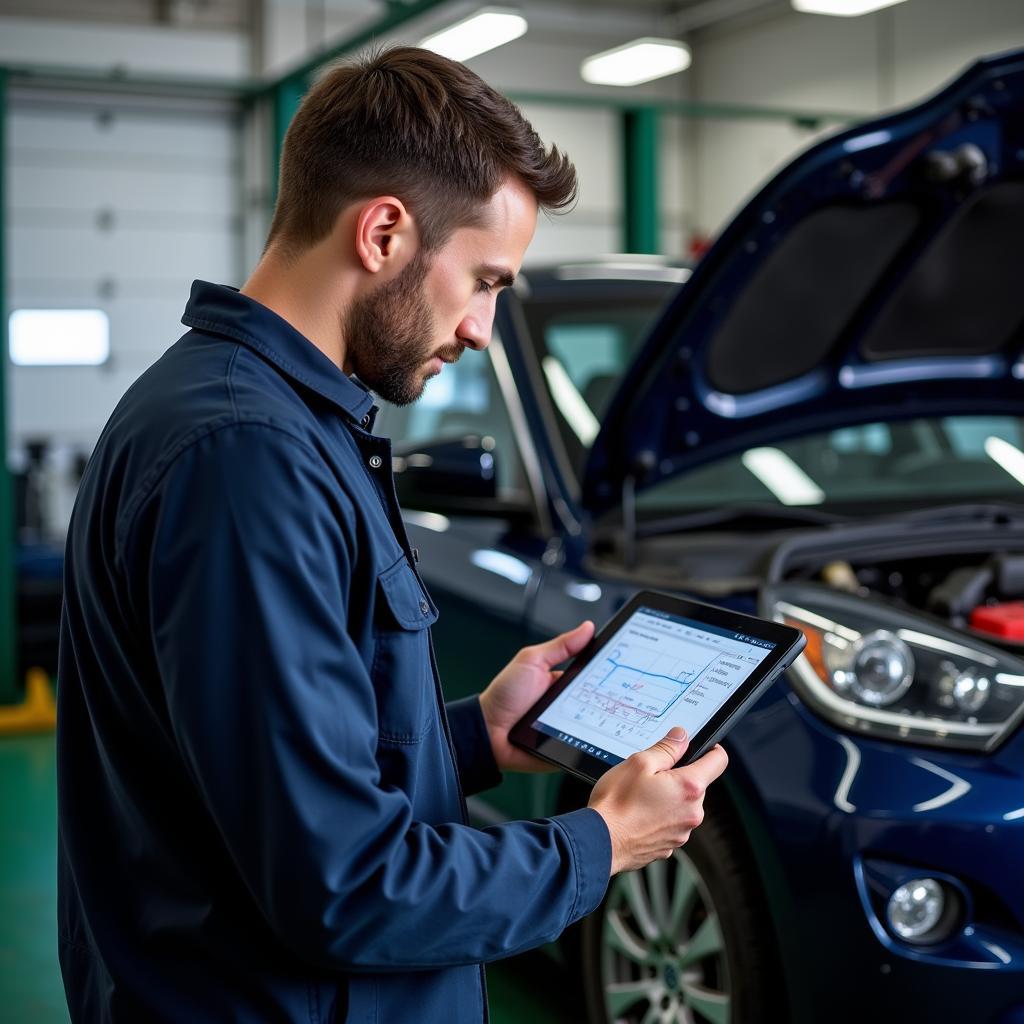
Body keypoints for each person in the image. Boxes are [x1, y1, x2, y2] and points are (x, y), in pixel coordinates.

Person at [56, 46, 729, 1023]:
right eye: (486, 281)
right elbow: (341, 882)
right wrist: (599, 842)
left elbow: (255, 776)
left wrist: (477, 736)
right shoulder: (247, 458)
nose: (482, 329)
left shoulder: (253, 418)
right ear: (382, 231)